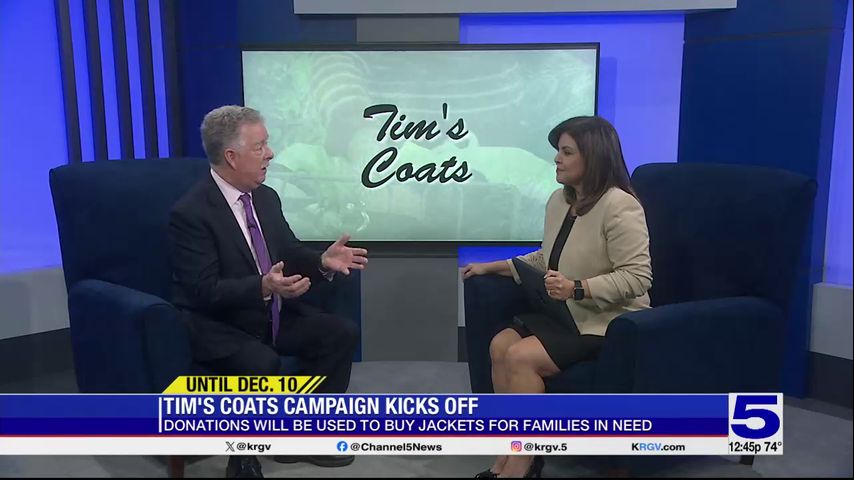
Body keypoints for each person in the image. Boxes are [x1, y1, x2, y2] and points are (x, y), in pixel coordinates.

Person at [169, 106, 367, 478]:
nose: (271, 154)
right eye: (260, 147)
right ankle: (244, 458)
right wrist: (262, 285)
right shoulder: (192, 213)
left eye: (267, 144)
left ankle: (306, 436)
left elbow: (288, 252)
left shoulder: (266, 197)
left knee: (340, 333)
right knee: (261, 364)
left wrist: (322, 261)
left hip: (271, 314)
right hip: (222, 324)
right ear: (232, 156)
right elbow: (202, 290)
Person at [461, 116, 652, 478]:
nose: (556, 159)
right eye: (558, 151)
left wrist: (578, 287)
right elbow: (549, 256)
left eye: (566, 152)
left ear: (592, 157)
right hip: (566, 313)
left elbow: (638, 277)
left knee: (520, 356)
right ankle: (507, 454)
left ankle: (522, 464)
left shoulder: (621, 206)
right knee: (500, 345)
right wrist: (494, 266)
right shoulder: (559, 200)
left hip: (608, 320)